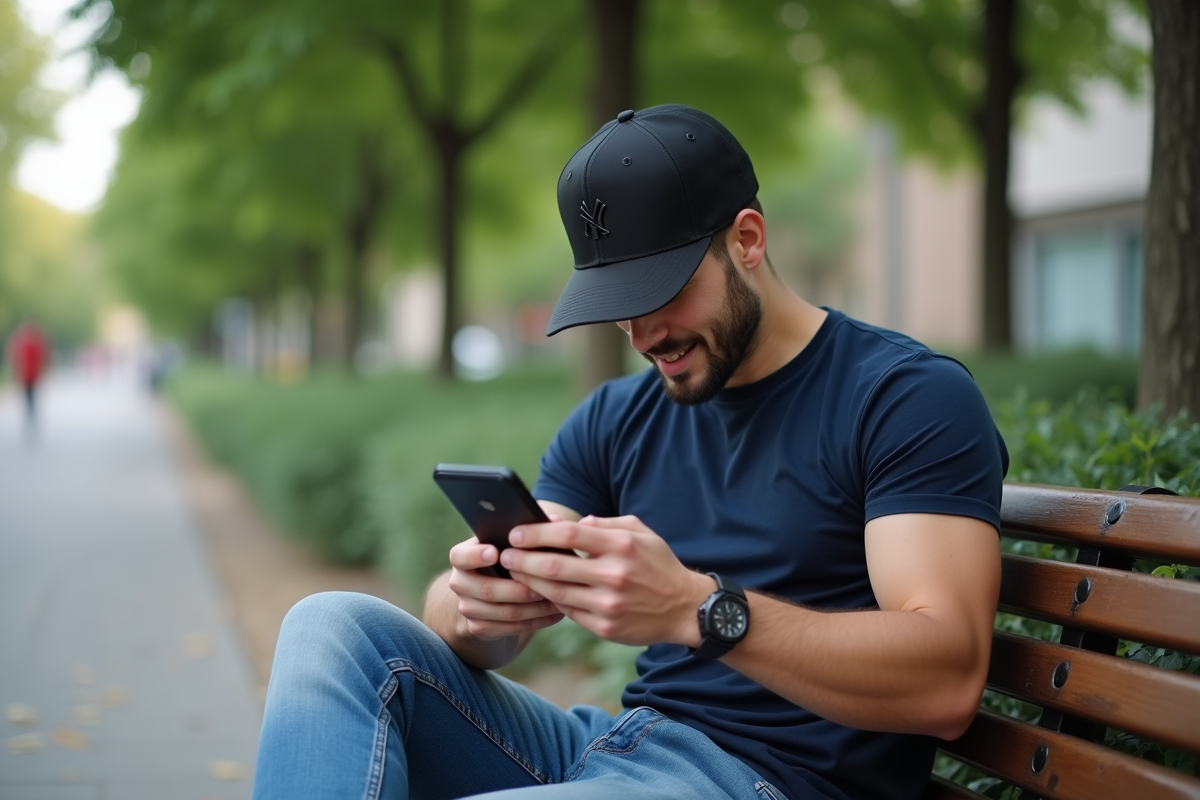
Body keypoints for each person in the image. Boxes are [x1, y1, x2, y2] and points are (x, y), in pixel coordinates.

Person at [252, 105, 1008, 800]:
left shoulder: (905, 398)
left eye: (662, 291)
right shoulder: (616, 416)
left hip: (771, 782)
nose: (645, 336)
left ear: (746, 239)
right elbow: (475, 618)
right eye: (617, 305)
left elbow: (946, 681)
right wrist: (480, 605)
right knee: (332, 627)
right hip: (617, 747)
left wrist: (698, 609)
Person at [6, 320, 51, 432]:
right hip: (27, 374)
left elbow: (41, 357)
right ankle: (31, 415)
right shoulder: (30, 342)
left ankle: (30, 415)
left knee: (29, 396)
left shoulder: (23, 342)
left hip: (30, 374)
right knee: (30, 396)